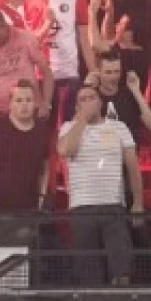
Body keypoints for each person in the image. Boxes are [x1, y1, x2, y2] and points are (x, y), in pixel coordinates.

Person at [60, 81, 144, 284]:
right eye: (83, 99)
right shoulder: (68, 128)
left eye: (92, 98)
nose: (88, 102)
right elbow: (65, 150)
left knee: (122, 269)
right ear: (77, 106)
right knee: (89, 273)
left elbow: (133, 166)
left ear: (101, 102)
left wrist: (138, 202)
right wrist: (81, 119)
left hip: (113, 206)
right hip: (82, 207)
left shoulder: (118, 127)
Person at [0, 80, 53, 238]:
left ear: (35, 103)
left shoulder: (42, 131)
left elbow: (45, 167)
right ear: (11, 103)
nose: (24, 105)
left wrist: (41, 197)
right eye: (19, 100)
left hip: (25, 212)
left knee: (21, 258)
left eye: (28, 100)